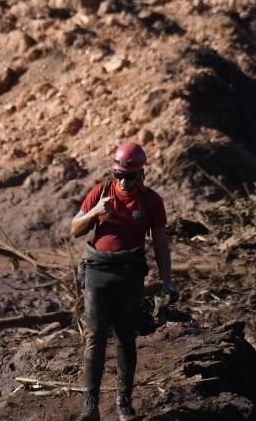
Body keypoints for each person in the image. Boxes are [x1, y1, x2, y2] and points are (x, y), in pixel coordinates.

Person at [71, 142, 177, 421]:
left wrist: (168, 281)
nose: (124, 182)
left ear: (142, 174)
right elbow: (74, 229)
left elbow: (161, 244)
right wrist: (95, 212)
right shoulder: (101, 192)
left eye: (130, 176)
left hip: (129, 275)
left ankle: (123, 405)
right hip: (97, 273)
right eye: (119, 175)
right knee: (95, 337)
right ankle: (90, 406)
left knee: (125, 338)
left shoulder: (152, 201)